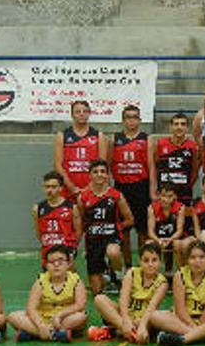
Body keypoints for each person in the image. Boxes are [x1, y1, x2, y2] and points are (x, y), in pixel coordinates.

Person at [151, 241, 205, 346]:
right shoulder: (179, 275)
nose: (197, 261)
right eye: (192, 258)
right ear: (187, 260)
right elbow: (180, 310)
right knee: (153, 315)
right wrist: (194, 328)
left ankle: (182, 338)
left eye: (202, 257)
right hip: (184, 320)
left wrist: (201, 325)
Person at [89, 243, 169, 344]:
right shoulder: (132, 273)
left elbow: (151, 308)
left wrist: (143, 326)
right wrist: (126, 321)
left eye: (154, 260)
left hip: (143, 320)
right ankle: (127, 331)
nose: (150, 264)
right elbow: (123, 299)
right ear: (140, 262)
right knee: (99, 299)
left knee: (159, 317)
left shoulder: (162, 283)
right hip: (124, 316)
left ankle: (113, 331)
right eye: (146, 260)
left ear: (160, 262)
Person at [77, 160, 134, 294]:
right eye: (95, 172)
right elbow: (81, 221)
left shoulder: (116, 195)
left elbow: (130, 220)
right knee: (97, 291)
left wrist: (116, 227)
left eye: (103, 172)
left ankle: (120, 276)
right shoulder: (83, 197)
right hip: (93, 241)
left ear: (108, 175)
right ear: (90, 175)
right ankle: (107, 276)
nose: (99, 175)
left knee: (113, 252)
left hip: (111, 237)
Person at [8, 245, 87, 342]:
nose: (56, 264)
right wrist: (40, 325)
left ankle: (34, 334)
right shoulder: (40, 280)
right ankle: (55, 334)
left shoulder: (76, 280)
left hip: (64, 318)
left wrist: (59, 315)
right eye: (52, 262)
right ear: (46, 265)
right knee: (13, 316)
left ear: (68, 264)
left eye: (60, 261)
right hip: (42, 318)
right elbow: (31, 308)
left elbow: (80, 305)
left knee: (81, 316)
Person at [109, 105, 154, 252]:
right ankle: (127, 267)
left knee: (143, 230)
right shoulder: (115, 139)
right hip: (121, 188)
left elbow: (151, 166)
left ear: (139, 120)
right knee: (124, 230)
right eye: (128, 117)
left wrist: (153, 190)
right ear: (123, 120)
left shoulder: (146, 139)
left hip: (141, 187)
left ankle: (144, 265)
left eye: (135, 117)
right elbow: (108, 165)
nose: (131, 121)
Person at [53, 100, 104, 199]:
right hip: (68, 189)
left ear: (89, 114)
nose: (81, 114)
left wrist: (90, 187)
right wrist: (72, 187)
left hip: (93, 189)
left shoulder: (99, 136)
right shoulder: (62, 136)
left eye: (85, 111)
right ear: (72, 115)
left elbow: (103, 166)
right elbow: (58, 165)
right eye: (78, 112)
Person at [34, 171, 79, 270]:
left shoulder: (71, 207)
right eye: (47, 187)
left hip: (66, 247)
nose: (49, 190)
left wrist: (72, 247)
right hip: (48, 247)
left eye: (53, 187)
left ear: (61, 188)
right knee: (49, 278)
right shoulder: (38, 208)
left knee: (68, 272)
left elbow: (78, 231)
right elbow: (38, 233)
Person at [153, 113, 199, 207]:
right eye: (176, 124)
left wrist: (186, 185)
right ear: (171, 127)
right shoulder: (161, 144)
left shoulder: (192, 146)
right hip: (164, 192)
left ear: (187, 127)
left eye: (183, 124)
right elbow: (155, 167)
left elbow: (195, 171)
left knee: (184, 219)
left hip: (184, 192)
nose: (179, 127)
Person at [148, 185, 196, 269]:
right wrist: (158, 240)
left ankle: (181, 271)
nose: (166, 199)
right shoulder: (152, 208)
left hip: (175, 238)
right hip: (159, 239)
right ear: (159, 195)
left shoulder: (180, 208)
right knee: (148, 244)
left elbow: (179, 231)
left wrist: (170, 239)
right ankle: (153, 276)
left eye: (170, 196)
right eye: (163, 196)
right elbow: (150, 231)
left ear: (175, 196)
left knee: (177, 244)